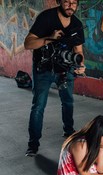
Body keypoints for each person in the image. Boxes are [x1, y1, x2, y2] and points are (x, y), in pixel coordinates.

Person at [24, 0, 86, 156]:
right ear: (59, 2)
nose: (70, 5)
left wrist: (81, 64)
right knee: (38, 106)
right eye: (66, 1)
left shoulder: (77, 24)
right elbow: (28, 43)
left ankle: (69, 131)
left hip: (65, 70)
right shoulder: (46, 18)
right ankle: (33, 144)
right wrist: (49, 38)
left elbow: (78, 50)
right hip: (43, 69)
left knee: (68, 102)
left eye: (74, 2)